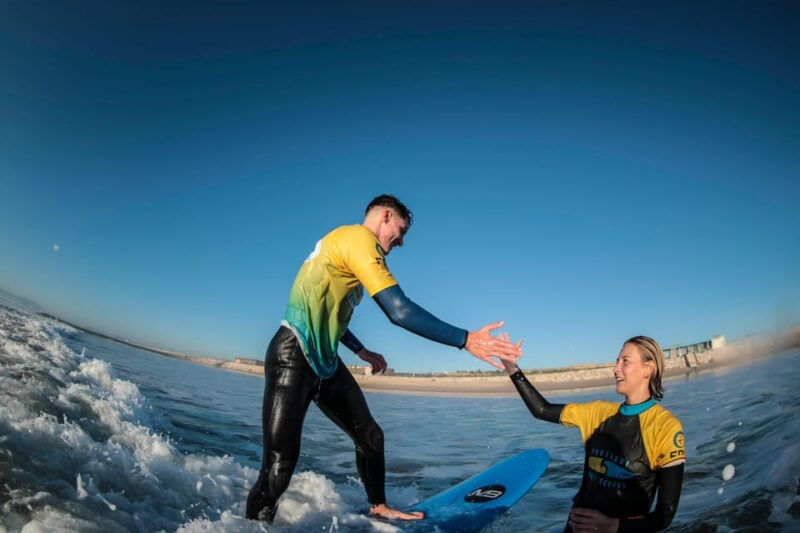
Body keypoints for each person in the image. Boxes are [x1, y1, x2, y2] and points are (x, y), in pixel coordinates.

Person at [246, 194, 523, 522]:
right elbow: (399, 310)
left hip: (324, 362)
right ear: (387, 216)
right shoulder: (358, 239)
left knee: (370, 436)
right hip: (293, 354)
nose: (402, 241)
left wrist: (361, 350)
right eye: (401, 231)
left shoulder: (350, 251)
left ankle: (378, 505)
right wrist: (466, 340)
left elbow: (329, 312)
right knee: (279, 465)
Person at [501, 335, 685, 532]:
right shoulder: (598, 413)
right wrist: (512, 367)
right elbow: (542, 410)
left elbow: (665, 514)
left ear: (648, 369)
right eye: (617, 361)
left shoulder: (666, 427)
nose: (616, 369)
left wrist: (613, 526)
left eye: (625, 361)